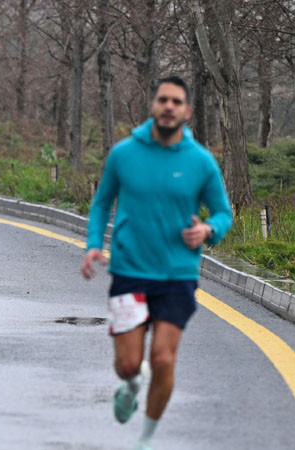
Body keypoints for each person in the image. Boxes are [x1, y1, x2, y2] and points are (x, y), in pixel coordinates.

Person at [80, 75, 232, 450]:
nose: (169, 106)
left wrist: (209, 230)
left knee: (164, 359)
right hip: (130, 272)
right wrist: (92, 244)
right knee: (129, 365)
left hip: (177, 275)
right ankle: (131, 385)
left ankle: (145, 440)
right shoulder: (124, 153)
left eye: (176, 101)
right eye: (163, 99)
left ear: (187, 110)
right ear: (153, 105)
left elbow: (223, 213)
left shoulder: (201, 161)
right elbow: (102, 203)